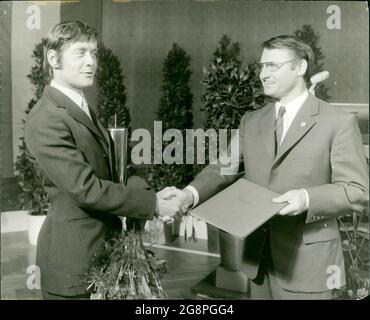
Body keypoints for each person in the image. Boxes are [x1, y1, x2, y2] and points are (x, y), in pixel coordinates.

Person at [162, 35, 368, 299]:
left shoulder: (336, 122)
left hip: (308, 266)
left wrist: (305, 199)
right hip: (257, 261)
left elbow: (357, 191)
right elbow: (222, 168)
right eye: (261, 66)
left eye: (273, 66)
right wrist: (188, 194)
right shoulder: (251, 121)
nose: (263, 74)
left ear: (300, 67)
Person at [25, 21, 180, 300]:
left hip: (100, 254)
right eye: (81, 52)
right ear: (53, 58)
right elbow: (86, 189)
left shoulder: (78, 106)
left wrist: (151, 194)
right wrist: (154, 204)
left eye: (94, 53)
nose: (91, 62)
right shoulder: (46, 117)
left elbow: (114, 173)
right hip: (71, 264)